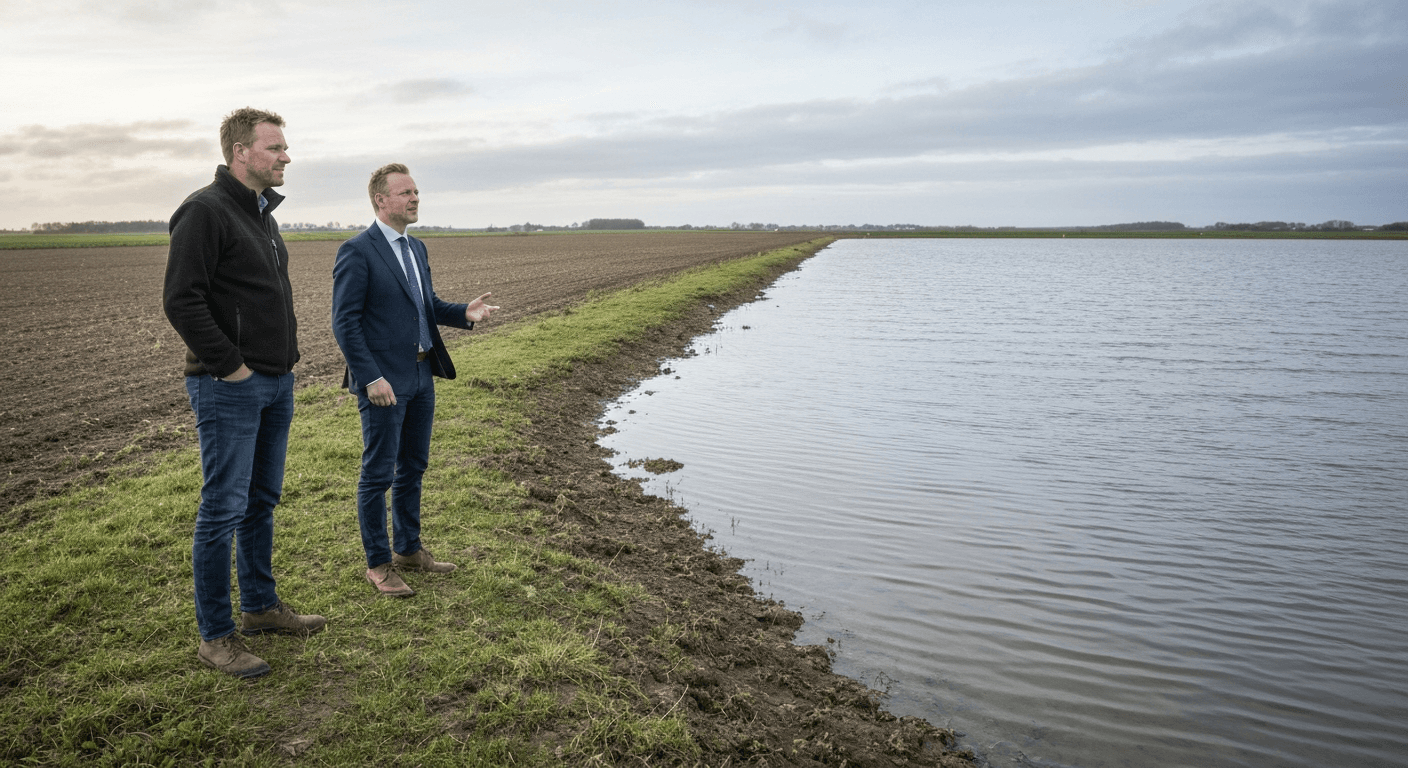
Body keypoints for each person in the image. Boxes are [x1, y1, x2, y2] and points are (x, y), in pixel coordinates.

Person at [163, 107, 326, 680]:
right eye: (276, 147)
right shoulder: (204, 211)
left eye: (284, 147)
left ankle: (258, 607)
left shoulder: (262, 214)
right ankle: (216, 636)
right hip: (228, 386)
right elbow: (183, 300)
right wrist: (232, 368)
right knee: (222, 510)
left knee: (261, 501)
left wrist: (278, 369)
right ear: (241, 153)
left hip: (276, 382)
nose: (286, 156)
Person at [332, 163, 498, 597]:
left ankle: (408, 548)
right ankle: (379, 564)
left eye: (417, 192)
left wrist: (462, 312)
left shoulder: (417, 248)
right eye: (405, 193)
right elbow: (344, 323)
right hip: (384, 383)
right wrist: (371, 378)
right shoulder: (358, 251)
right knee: (377, 474)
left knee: (414, 467)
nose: (415, 198)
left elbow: (424, 305)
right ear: (380, 201)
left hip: (423, 374)